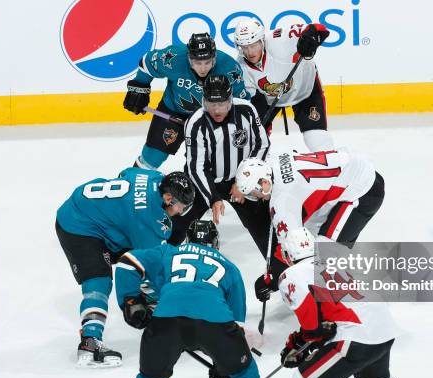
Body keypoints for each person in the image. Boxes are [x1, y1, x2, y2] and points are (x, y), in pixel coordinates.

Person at [113, 223, 265, 378]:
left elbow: (128, 262)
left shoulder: (168, 251)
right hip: (215, 323)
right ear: (215, 243)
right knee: (244, 374)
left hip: (165, 322)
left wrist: (130, 301)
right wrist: (225, 365)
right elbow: (237, 324)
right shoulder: (230, 268)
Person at [55, 168, 195, 367]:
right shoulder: (150, 218)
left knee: (142, 267)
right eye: (180, 206)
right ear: (167, 197)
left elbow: (125, 173)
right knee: (99, 282)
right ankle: (90, 342)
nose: (180, 211)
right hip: (78, 224)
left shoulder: (153, 177)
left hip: (94, 214)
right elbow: (149, 265)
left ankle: (158, 309)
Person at [276, 228, 413, 378]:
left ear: (287, 254)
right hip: (384, 330)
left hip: (356, 338)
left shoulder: (291, 274)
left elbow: (313, 329)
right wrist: (306, 339)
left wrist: (299, 344)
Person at [235, 147, 384, 301]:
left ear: (265, 182)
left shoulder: (282, 202)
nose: (256, 197)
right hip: (354, 170)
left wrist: (270, 279)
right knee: (316, 238)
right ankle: (338, 286)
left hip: (363, 190)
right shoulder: (273, 161)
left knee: (321, 257)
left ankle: (340, 305)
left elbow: (296, 250)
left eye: (254, 193)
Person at [170, 74, 273, 254]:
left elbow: (262, 144)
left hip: (241, 179)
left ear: (230, 100)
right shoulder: (195, 123)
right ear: (204, 102)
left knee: (266, 230)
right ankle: (157, 267)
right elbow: (196, 168)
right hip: (205, 181)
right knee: (175, 224)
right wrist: (213, 197)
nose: (217, 111)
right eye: (211, 105)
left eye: (222, 105)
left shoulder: (247, 111)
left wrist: (243, 182)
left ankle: (277, 272)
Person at [123, 33, 249, 171]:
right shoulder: (173, 58)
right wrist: (139, 88)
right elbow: (146, 63)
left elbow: (241, 102)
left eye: (207, 62)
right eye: (197, 63)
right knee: (153, 156)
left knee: (209, 163)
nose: (203, 68)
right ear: (189, 58)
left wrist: (234, 124)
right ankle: (134, 184)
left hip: (210, 118)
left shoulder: (230, 68)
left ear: (214, 58)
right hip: (173, 111)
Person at [234, 18, 333, 151]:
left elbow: (318, 28)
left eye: (253, 45)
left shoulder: (280, 38)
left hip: (305, 89)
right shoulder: (240, 66)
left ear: (262, 40)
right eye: (245, 47)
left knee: (315, 137)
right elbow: (250, 99)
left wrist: (311, 38)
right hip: (270, 99)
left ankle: (331, 163)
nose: (250, 52)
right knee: (255, 137)